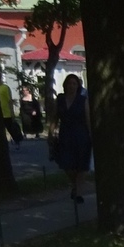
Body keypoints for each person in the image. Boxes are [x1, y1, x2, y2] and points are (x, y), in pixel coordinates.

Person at [50, 74, 92, 203]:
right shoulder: (60, 99)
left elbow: (88, 119)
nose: (72, 86)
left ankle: (78, 193)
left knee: (81, 165)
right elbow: (54, 118)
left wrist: (91, 136)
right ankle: (75, 185)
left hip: (81, 135)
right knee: (67, 164)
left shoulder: (83, 100)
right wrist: (51, 133)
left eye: (74, 84)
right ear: (65, 85)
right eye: (69, 83)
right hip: (65, 135)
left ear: (78, 86)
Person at [0, 70, 24, 149]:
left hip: (7, 113)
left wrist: (12, 113)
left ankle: (17, 140)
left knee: (11, 129)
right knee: (0, 130)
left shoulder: (5, 88)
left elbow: (10, 101)